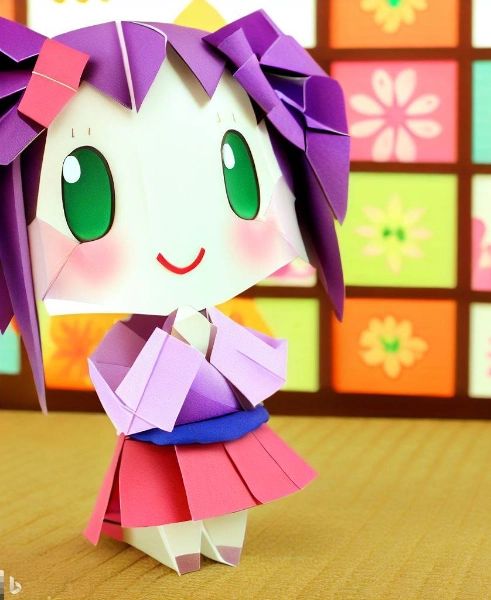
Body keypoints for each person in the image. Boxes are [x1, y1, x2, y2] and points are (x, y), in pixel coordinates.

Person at [0, 11, 349, 575]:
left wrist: (212, 347)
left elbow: (258, 368)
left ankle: (218, 540)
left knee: (228, 499)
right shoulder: (129, 342)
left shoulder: (209, 321)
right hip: (160, 442)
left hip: (226, 429)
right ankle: (172, 543)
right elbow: (123, 393)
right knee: (166, 507)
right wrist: (176, 362)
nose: (181, 242)